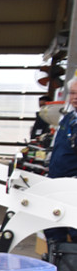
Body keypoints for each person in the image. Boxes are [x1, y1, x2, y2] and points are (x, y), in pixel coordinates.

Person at [44, 78, 77, 244]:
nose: (75, 97)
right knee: (52, 225)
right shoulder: (68, 119)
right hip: (56, 183)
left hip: (74, 188)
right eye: (72, 93)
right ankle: (59, 264)